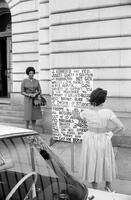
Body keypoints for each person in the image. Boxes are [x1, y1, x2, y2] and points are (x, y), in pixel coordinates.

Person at [72, 88, 125, 192]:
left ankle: (95, 189)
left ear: (93, 99)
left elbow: (79, 118)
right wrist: (111, 133)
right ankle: (108, 186)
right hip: (103, 138)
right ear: (104, 100)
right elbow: (121, 127)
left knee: (92, 161)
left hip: (90, 138)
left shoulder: (86, 112)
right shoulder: (108, 112)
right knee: (106, 160)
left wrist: (75, 115)